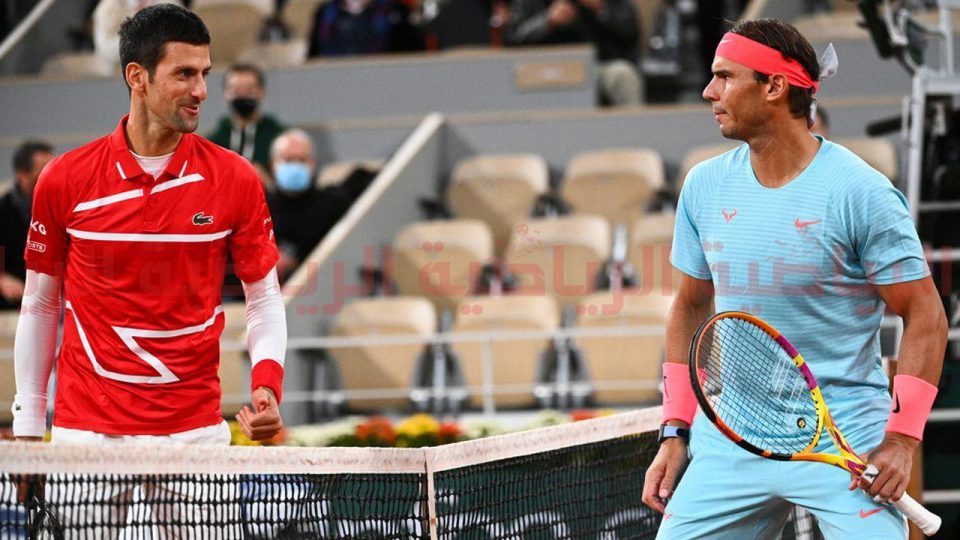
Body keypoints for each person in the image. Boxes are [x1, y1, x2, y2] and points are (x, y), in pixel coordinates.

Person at [641, 19, 946, 539]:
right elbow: (690, 307)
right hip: (732, 438)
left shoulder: (862, 192)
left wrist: (901, 439)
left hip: (844, 436)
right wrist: (675, 430)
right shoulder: (703, 185)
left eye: (725, 76)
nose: (708, 91)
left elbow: (925, 314)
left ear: (775, 87)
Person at [12, 4, 286, 534]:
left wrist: (267, 385)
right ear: (136, 76)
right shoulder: (64, 179)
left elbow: (265, 299)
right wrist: (27, 428)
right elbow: (41, 303)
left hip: (195, 433)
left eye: (205, 73)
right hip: (86, 435)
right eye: (184, 74)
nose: (201, 90)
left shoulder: (235, 178)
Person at [504, 0, 642, 106]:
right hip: (541, 69)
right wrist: (547, 21)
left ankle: (635, 131)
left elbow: (631, 32)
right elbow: (512, 39)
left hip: (596, 66)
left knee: (622, 74)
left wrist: (601, 10)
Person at [267, 129, 353, 282]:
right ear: (273, 164)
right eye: (288, 160)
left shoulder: (334, 205)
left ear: (313, 164)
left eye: (302, 160)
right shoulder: (258, 208)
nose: (295, 166)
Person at [207, 63, 285, 188]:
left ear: (262, 92)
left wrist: (268, 184)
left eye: (249, 90)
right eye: (236, 90)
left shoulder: (280, 139)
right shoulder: (213, 143)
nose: (243, 95)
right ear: (226, 94)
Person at [0, 141, 54, 310]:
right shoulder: (4, 210)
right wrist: (2, 279)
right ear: (22, 175)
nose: (52, 178)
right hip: (16, 300)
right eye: (43, 173)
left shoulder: (60, 208)